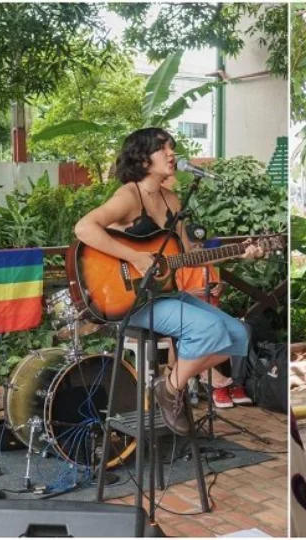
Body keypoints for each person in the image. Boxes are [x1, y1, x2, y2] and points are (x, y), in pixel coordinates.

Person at [74, 128, 261, 435]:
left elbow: (189, 255)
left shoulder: (171, 200)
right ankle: (172, 389)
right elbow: (84, 228)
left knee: (239, 334)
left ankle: (170, 384)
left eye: (172, 148)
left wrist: (240, 252)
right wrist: (134, 257)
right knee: (209, 329)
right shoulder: (129, 196)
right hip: (131, 299)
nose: (172, 154)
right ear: (143, 158)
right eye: (164, 149)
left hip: (164, 294)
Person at [162, 174, 252, 409]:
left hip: (205, 310)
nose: (198, 248)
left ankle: (173, 382)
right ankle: (209, 382)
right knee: (199, 331)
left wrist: (219, 286)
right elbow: (174, 293)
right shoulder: (176, 261)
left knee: (238, 331)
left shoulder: (207, 264)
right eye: (193, 244)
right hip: (173, 309)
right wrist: (194, 293)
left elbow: (215, 292)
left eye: (201, 245)